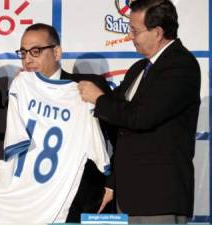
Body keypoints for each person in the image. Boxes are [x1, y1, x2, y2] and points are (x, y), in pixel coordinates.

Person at [78, 0, 200, 223]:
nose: (130, 37)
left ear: (157, 32)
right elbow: (119, 124)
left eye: (134, 30)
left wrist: (98, 98)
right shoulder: (138, 69)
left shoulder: (181, 65)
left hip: (158, 198)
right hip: (129, 197)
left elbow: (141, 117)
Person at [17, 23, 115, 222]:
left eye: (35, 51)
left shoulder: (85, 87)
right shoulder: (20, 93)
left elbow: (120, 139)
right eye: (23, 52)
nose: (27, 59)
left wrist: (112, 185)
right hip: (36, 205)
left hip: (85, 201)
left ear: (56, 52)